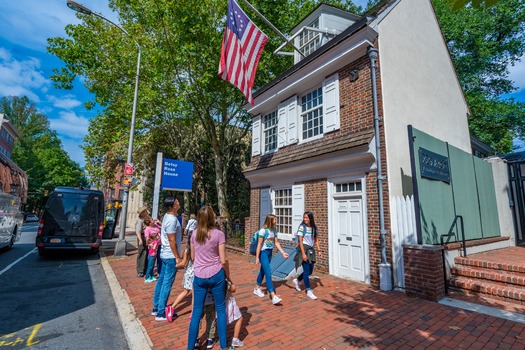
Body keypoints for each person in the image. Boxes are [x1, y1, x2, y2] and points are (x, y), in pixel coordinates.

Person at [187, 206, 232, 350]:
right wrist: (229, 277)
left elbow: (193, 257)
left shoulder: (194, 234)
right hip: (216, 273)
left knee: (196, 312)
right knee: (220, 309)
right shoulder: (218, 234)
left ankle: (190, 346)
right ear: (212, 218)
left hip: (199, 275)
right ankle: (224, 346)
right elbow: (223, 260)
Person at [152, 197, 183, 321]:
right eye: (177, 202)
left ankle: (156, 307)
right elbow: (172, 240)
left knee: (161, 281)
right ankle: (161, 312)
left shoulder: (166, 217)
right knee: (167, 283)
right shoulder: (172, 220)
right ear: (173, 205)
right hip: (170, 256)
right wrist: (177, 257)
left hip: (165, 254)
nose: (179, 203)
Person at [253, 214, 289, 305]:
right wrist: (257, 257)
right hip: (263, 253)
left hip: (270, 253)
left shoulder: (274, 230)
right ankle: (273, 296)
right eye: (275, 220)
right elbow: (259, 245)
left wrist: (282, 252)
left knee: (263, 271)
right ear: (270, 220)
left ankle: (257, 288)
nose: (276, 221)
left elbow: (276, 242)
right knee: (268, 273)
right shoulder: (263, 231)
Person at [293, 211, 322, 300]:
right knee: (306, 271)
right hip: (304, 249)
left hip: (311, 250)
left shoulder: (314, 228)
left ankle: (297, 280)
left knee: (310, 271)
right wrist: (303, 254)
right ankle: (308, 291)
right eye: (304, 217)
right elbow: (300, 242)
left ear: (310, 219)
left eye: (307, 217)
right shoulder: (302, 227)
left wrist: (319, 250)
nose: (305, 219)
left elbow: (316, 240)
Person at [226, 280, 244, 347]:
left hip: (217, 303)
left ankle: (223, 339)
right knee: (239, 318)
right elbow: (233, 289)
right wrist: (230, 280)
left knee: (221, 321)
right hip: (228, 301)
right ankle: (235, 340)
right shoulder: (223, 278)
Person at [144, 217, 161, 283]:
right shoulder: (147, 229)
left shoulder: (156, 225)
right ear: (149, 222)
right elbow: (147, 239)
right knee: (151, 264)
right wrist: (151, 244)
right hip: (153, 248)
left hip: (159, 245)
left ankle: (152, 275)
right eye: (151, 220)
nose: (153, 220)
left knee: (158, 260)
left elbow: (163, 227)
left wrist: (159, 222)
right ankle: (148, 277)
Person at [135, 207, 150, 277]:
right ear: (142, 213)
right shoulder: (140, 220)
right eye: (145, 211)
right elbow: (138, 231)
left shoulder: (146, 219)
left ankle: (145, 269)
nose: (147, 212)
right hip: (142, 237)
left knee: (147, 253)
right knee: (142, 253)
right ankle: (140, 270)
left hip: (147, 237)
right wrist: (140, 240)